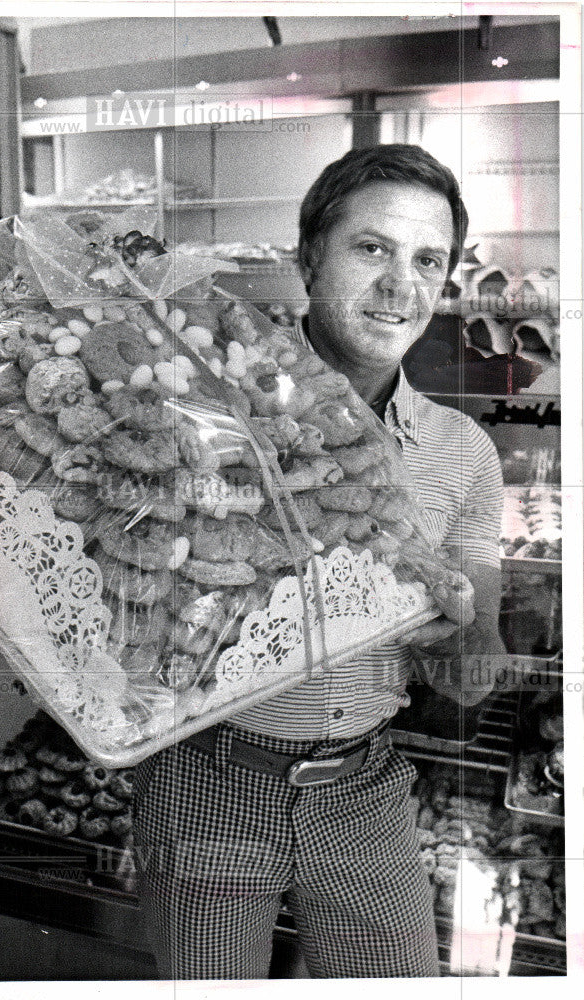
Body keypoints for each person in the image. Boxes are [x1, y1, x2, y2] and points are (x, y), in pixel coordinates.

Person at [131, 144, 505, 979]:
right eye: (370, 248)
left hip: (365, 785)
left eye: (427, 260)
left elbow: (476, 649)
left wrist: (464, 640)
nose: (399, 284)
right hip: (205, 776)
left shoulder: (461, 451)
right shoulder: (199, 409)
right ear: (308, 256)